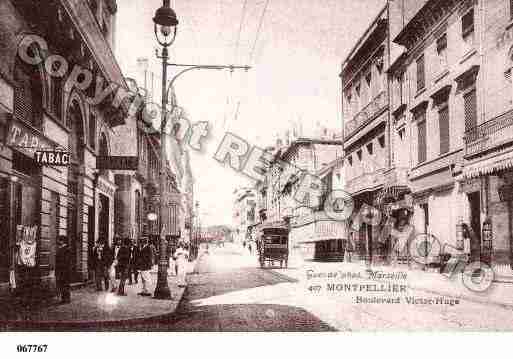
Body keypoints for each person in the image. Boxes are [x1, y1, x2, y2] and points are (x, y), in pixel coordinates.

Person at [55, 235, 71, 304]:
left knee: (65, 284)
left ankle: (66, 299)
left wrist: (61, 267)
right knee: (62, 284)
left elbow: (66, 261)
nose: (58, 241)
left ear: (62, 241)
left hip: (64, 270)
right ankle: (64, 298)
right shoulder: (61, 248)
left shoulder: (66, 249)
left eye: (59, 240)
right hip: (61, 270)